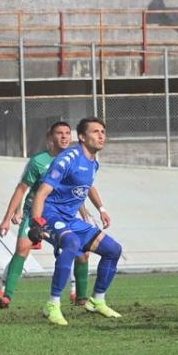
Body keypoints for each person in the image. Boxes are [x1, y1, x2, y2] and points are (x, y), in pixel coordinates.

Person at [28, 117, 123, 325]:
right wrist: (36, 223)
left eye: (103, 132)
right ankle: (52, 304)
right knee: (72, 243)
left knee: (113, 250)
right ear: (81, 137)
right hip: (51, 214)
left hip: (70, 219)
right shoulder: (68, 158)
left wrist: (101, 209)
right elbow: (41, 193)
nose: (101, 136)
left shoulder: (93, 163)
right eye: (95, 131)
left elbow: (87, 187)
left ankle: (97, 301)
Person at [0, 121, 82, 308]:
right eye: (59, 133)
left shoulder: (74, 160)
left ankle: (76, 292)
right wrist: (7, 219)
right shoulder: (39, 161)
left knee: (73, 248)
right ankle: (6, 294)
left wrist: (86, 212)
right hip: (34, 213)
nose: (64, 136)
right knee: (22, 248)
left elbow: (76, 191)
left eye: (67, 133)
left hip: (59, 214)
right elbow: (21, 189)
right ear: (50, 138)